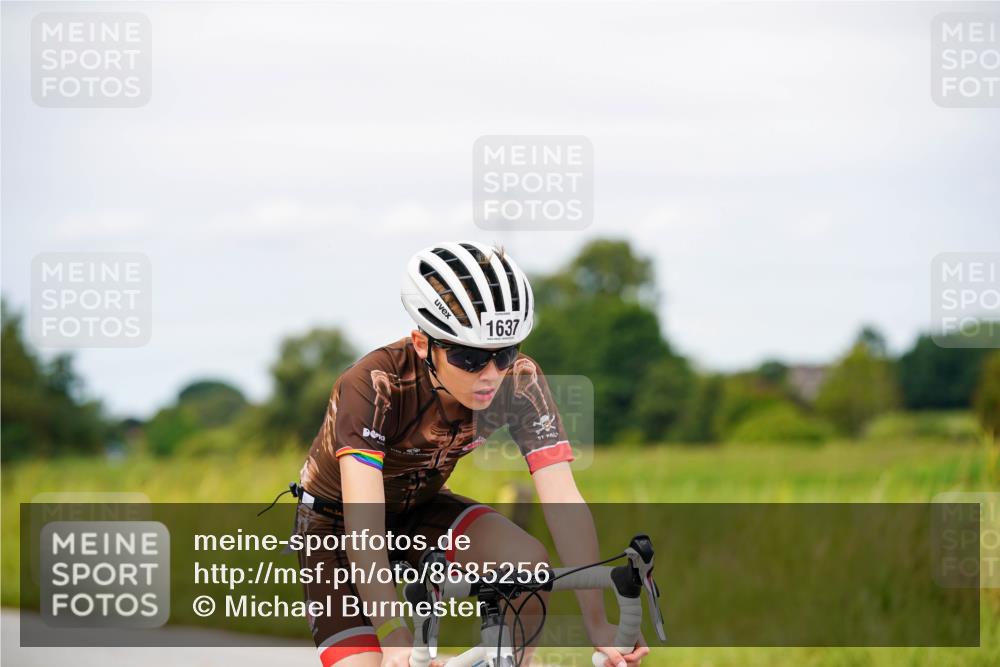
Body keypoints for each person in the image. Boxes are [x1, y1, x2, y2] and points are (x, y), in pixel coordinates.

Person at [295, 241, 648, 667]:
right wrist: (395, 636)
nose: (491, 375)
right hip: (337, 524)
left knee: (527, 567)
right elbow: (363, 525)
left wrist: (598, 624)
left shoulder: (519, 382)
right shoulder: (373, 384)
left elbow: (563, 498)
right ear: (423, 344)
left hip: (420, 511)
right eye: (469, 357)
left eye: (504, 354)